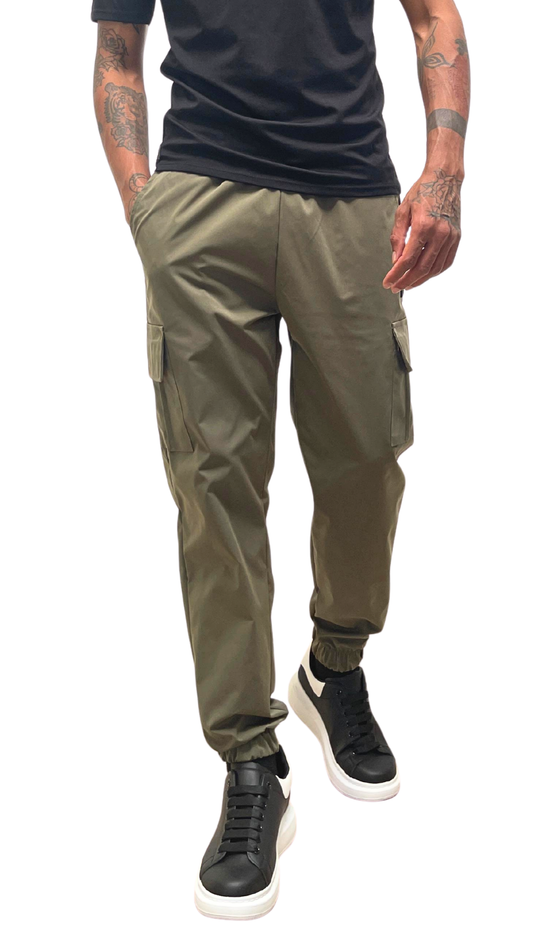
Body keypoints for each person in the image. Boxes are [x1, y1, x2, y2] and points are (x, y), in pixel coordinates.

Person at [91, 0, 469, 920]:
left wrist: (444, 169)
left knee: (366, 461)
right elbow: (116, 52)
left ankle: (332, 667)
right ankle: (250, 758)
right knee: (213, 485)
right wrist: (146, 210)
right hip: (201, 201)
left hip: (351, 193)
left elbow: (434, 17)